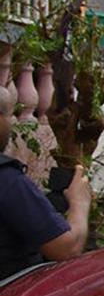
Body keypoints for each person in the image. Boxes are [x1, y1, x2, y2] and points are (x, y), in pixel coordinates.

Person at [0, 80, 91, 280]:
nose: (12, 122)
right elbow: (67, 248)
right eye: (8, 115)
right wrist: (79, 203)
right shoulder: (7, 181)